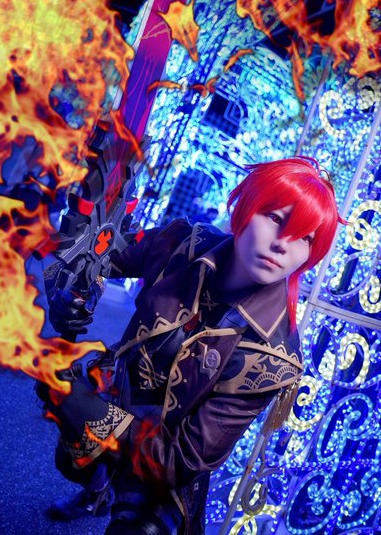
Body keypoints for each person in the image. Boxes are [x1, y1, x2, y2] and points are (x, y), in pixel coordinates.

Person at [44, 157, 343, 534]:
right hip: (119, 387)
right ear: (246, 207)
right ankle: (97, 489)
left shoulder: (274, 357)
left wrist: (99, 419)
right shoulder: (182, 243)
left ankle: (116, 488)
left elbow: (180, 459)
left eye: (305, 238)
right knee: (72, 460)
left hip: (163, 455)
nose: (283, 244)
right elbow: (93, 255)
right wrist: (70, 292)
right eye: (275, 218)